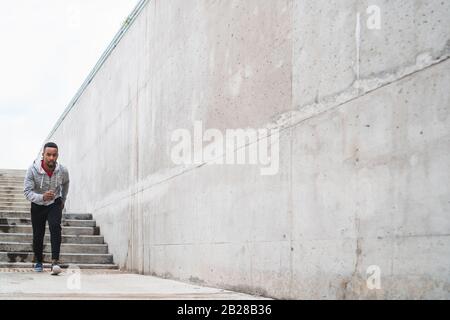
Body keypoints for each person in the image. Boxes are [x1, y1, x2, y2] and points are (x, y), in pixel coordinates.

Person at [23, 142, 70, 275]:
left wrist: (63, 199)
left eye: (54, 155)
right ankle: (38, 260)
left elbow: (66, 183)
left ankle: (55, 261)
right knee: (38, 234)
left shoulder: (62, 170)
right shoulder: (32, 170)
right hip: (38, 204)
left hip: (54, 203)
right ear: (43, 155)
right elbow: (27, 192)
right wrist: (41, 197)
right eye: (48, 155)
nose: (51, 158)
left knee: (55, 226)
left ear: (57, 156)